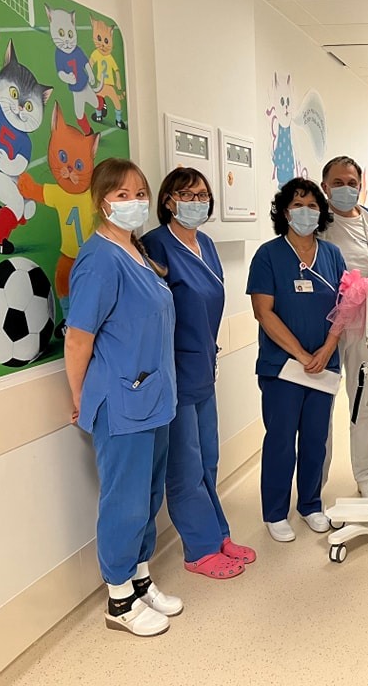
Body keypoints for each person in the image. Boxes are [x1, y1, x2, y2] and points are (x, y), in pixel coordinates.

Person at [64, 157, 182, 637]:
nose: (134, 202)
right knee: (125, 502)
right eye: (122, 194)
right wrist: (81, 398)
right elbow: (78, 339)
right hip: (121, 403)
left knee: (149, 497)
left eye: (140, 194)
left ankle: (140, 578)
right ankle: (118, 599)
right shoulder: (99, 260)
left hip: (153, 397)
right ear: (101, 202)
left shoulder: (137, 251)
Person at [142, 167, 255, 579]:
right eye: (186, 195)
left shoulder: (204, 243)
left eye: (202, 195)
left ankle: (218, 533)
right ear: (168, 200)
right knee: (185, 465)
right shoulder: (155, 246)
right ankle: (199, 549)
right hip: (173, 370)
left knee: (208, 457)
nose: (196, 202)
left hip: (203, 364)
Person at [247, 177, 346, 542]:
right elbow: (263, 312)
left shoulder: (332, 255)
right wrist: (302, 354)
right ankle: (275, 512)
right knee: (281, 439)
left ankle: (310, 504)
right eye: (297, 204)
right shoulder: (268, 256)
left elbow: (345, 306)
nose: (306, 211)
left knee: (316, 438)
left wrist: (328, 348)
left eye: (312, 205)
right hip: (283, 367)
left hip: (323, 365)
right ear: (285, 212)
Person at [318, 155, 368, 497]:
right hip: (326, 325)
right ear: (325, 187)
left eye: (352, 183)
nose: (346, 189)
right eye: (338, 183)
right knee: (321, 404)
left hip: (366, 325)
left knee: (365, 401)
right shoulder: (318, 223)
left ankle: (366, 475)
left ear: (361, 186)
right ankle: (315, 482)